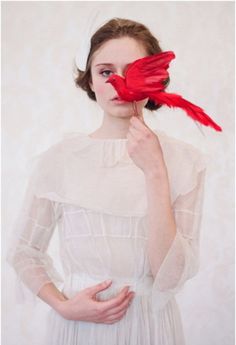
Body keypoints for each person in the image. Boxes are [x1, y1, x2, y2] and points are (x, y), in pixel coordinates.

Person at [7, 18, 207, 345]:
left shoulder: (185, 162)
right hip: (79, 328)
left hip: (151, 329)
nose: (120, 83)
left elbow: (168, 276)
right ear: (90, 81)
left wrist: (155, 171)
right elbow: (24, 251)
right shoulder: (60, 159)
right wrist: (64, 306)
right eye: (106, 72)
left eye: (136, 71)